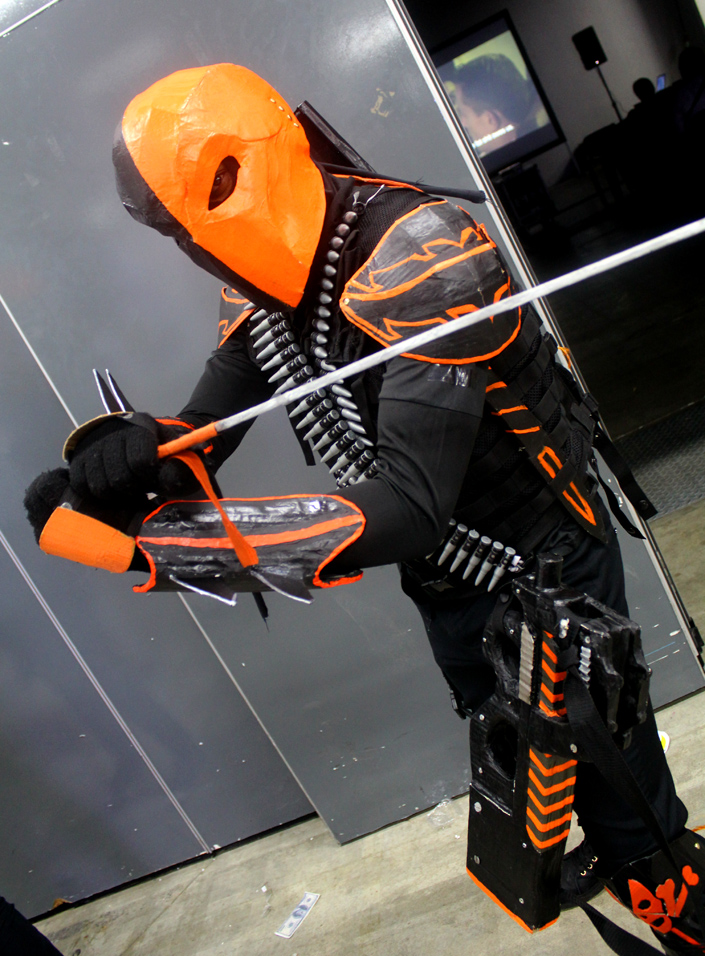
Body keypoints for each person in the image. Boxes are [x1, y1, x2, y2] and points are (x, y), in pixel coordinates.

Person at [24, 64, 703, 954]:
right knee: (531, 779)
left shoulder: (423, 252)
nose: (202, 241)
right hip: (448, 583)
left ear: (274, 147)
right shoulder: (263, 288)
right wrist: (128, 457)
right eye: (172, 228)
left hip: (541, 557)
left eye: (213, 195)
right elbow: (208, 423)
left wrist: (169, 551)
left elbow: (413, 504)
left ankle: (674, 897)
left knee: (623, 794)